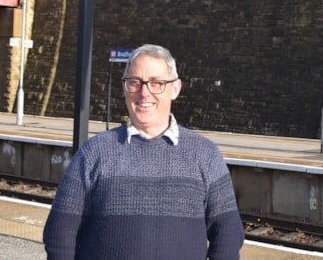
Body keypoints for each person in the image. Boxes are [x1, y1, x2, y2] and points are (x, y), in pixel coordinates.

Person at [43, 44, 244, 259]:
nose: (143, 93)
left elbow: (228, 236)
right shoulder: (94, 153)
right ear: (124, 87)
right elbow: (60, 235)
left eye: (156, 83)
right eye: (134, 82)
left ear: (175, 89)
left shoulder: (205, 155)